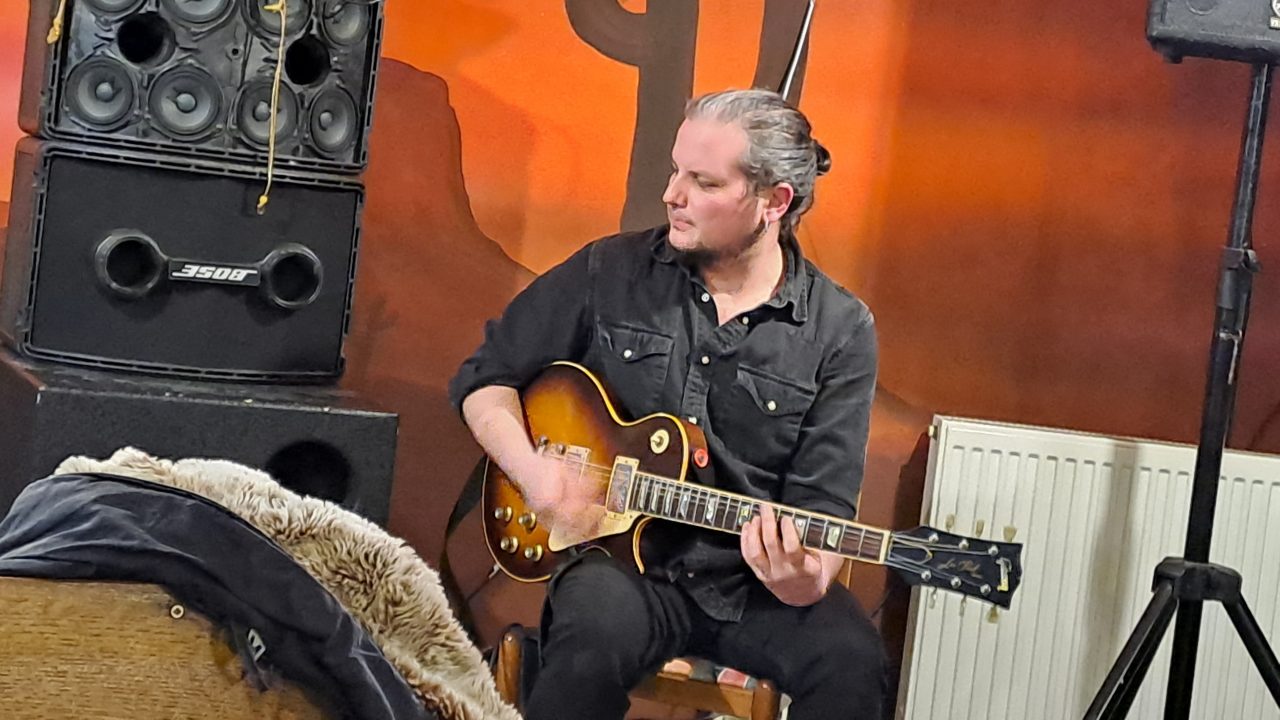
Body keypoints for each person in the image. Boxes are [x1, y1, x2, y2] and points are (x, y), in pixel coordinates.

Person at [449, 88, 886, 720]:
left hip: (752, 586)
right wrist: (533, 472)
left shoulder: (841, 330)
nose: (672, 194)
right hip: (620, 567)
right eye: (676, 170)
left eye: (703, 182)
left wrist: (807, 576)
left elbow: (825, 505)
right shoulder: (610, 269)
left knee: (852, 662)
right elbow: (485, 380)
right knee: (590, 643)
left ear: (773, 202)